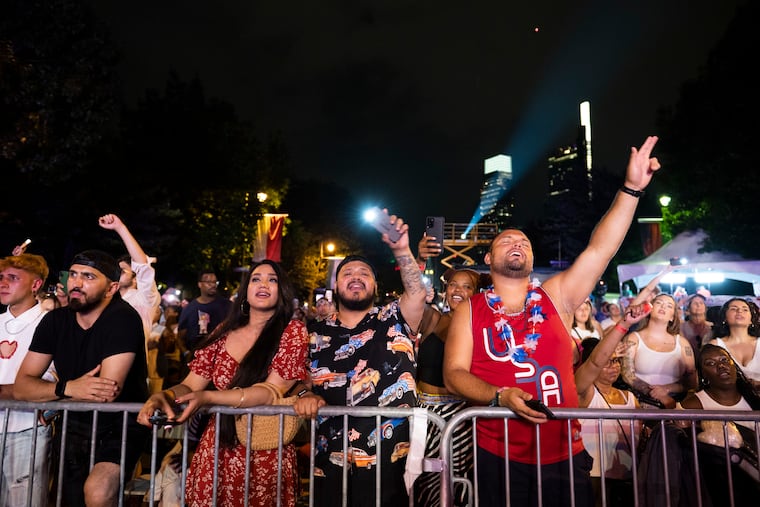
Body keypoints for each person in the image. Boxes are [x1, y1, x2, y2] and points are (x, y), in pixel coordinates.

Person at [443, 135, 662, 507]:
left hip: (562, 449)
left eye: (524, 242)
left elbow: (600, 249)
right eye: (506, 240)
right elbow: (454, 374)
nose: (517, 243)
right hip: (497, 451)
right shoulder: (471, 309)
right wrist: (499, 396)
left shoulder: (555, 296)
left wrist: (631, 190)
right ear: (489, 257)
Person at [136, 259, 310, 507]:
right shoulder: (223, 332)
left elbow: (270, 392)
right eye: (255, 279)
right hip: (217, 447)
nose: (263, 284)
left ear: (282, 291)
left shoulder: (292, 331)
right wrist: (164, 396)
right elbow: (191, 384)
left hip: (266, 450)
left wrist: (209, 398)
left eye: (273, 280)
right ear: (245, 290)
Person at [294, 210, 427, 507]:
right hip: (329, 457)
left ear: (376, 287)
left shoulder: (394, 319)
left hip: (392, 459)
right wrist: (304, 393)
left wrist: (401, 249)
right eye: (348, 274)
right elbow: (297, 381)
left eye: (364, 274)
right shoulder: (312, 334)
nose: (356, 278)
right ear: (336, 286)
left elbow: (417, 294)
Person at [14, 249, 150, 507]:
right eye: (74, 275)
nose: (76, 283)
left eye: (88, 276)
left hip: (120, 424)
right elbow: (22, 386)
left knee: (98, 492)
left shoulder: (123, 318)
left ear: (111, 288)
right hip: (73, 422)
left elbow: (106, 392)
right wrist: (68, 388)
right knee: (69, 499)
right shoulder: (54, 320)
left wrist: (50, 391)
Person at [414, 266, 483, 507]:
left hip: (460, 417)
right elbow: (412, 299)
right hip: (424, 415)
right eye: (454, 284)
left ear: (475, 293)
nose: (458, 290)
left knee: (457, 481)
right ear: (445, 289)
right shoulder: (434, 319)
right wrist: (419, 261)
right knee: (423, 479)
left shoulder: (479, 330)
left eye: (467, 287)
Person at [575, 303, 650, 507]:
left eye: (617, 361)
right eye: (608, 361)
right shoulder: (585, 393)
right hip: (593, 474)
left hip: (627, 474)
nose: (613, 366)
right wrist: (623, 326)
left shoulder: (629, 398)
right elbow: (593, 364)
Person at [0, 253, 57, 506]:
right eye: (1, 277)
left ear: (36, 285)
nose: (3, 283)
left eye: (13, 278)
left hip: (25, 430)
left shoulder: (49, 324)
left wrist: (52, 409)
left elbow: (58, 379)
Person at [673, 344, 760, 505]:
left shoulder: (753, 398)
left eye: (724, 360)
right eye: (710, 363)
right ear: (703, 374)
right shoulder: (692, 405)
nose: (721, 365)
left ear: (734, 365)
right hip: (719, 486)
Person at [98, 213, 163, 392]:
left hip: (134, 374)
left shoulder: (145, 298)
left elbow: (142, 266)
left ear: (135, 279)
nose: (118, 274)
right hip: (101, 373)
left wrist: (120, 228)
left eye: (124, 271)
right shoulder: (106, 301)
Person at [619, 293, 697, 409]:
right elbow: (627, 374)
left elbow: (691, 381)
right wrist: (655, 393)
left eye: (669, 306)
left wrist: (666, 389)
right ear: (650, 309)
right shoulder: (633, 339)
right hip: (640, 402)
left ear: (672, 317)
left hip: (674, 403)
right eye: (659, 303)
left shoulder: (682, 343)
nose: (663, 307)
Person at [177, 268, 231, 359]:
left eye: (215, 282)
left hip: (221, 358)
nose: (213, 285)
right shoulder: (190, 308)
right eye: (209, 282)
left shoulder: (228, 306)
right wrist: (186, 353)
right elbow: (180, 336)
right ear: (200, 284)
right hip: (196, 359)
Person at [708, 297, 760, 389]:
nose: (739, 311)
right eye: (734, 309)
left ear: (751, 319)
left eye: (745, 309)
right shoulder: (715, 345)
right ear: (725, 317)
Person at [571, 298, 604, 369]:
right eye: (579, 309)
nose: (583, 312)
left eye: (586, 309)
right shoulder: (571, 332)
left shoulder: (595, 329)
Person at [679, 293, 713, 359]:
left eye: (701, 303)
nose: (698, 305)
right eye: (695, 303)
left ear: (705, 308)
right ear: (688, 309)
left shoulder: (712, 327)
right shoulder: (681, 328)